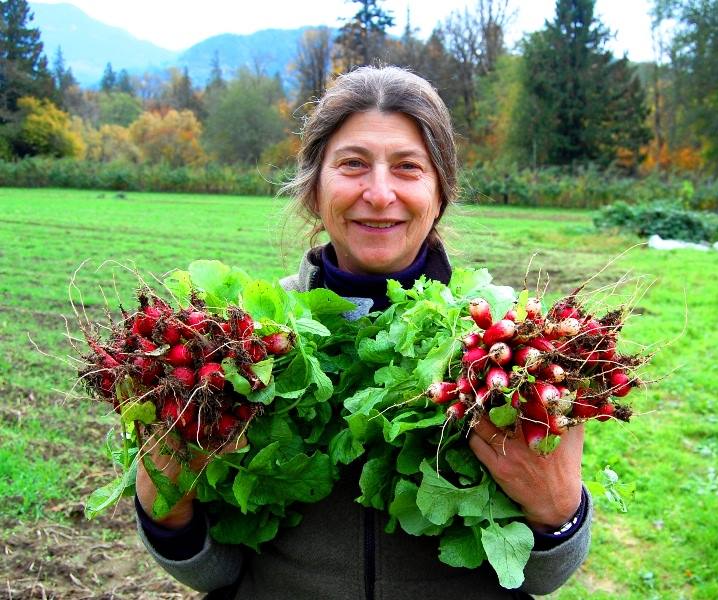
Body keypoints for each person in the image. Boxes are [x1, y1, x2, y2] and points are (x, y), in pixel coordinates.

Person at [135, 65, 591, 600]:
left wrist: (559, 511)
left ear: (440, 192)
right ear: (313, 187)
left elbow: (544, 575)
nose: (378, 194)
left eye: (407, 167)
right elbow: (213, 573)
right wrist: (164, 502)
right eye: (353, 165)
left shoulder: (513, 343)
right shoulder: (239, 340)